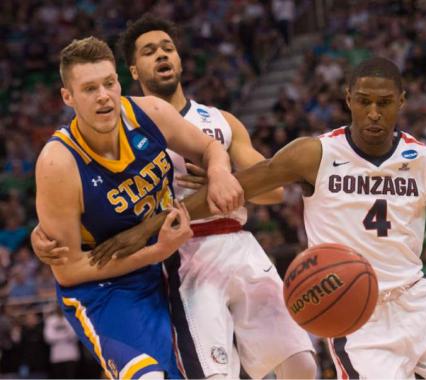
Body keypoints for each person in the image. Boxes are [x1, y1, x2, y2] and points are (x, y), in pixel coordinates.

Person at [80, 57, 426, 378]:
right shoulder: (313, 155)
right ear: (348, 99)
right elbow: (233, 189)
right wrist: (149, 226)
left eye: (385, 103)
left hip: (421, 302)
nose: (374, 113)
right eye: (365, 102)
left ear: (401, 103)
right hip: (355, 317)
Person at [33, 15, 316, 379]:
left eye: (168, 48)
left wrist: (221, 173)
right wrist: (39, 233)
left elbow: (272, 187)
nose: (162, 56)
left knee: (302, 365)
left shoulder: (211, 120)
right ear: (134, 70)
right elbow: (70, 257)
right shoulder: (71, 153)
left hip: (209, 247)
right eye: (149, 51)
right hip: (169, 260)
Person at [34, 36, 243, 379]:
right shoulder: (58, 162)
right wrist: (156, 251)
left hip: (168, 264)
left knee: (210, 370)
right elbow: (68, 271)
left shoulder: (149, 112)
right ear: (67, 97)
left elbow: (210, 148)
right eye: (89, 89)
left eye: (109, 83)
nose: (103, 95)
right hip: (105, 289)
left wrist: (219, 172)